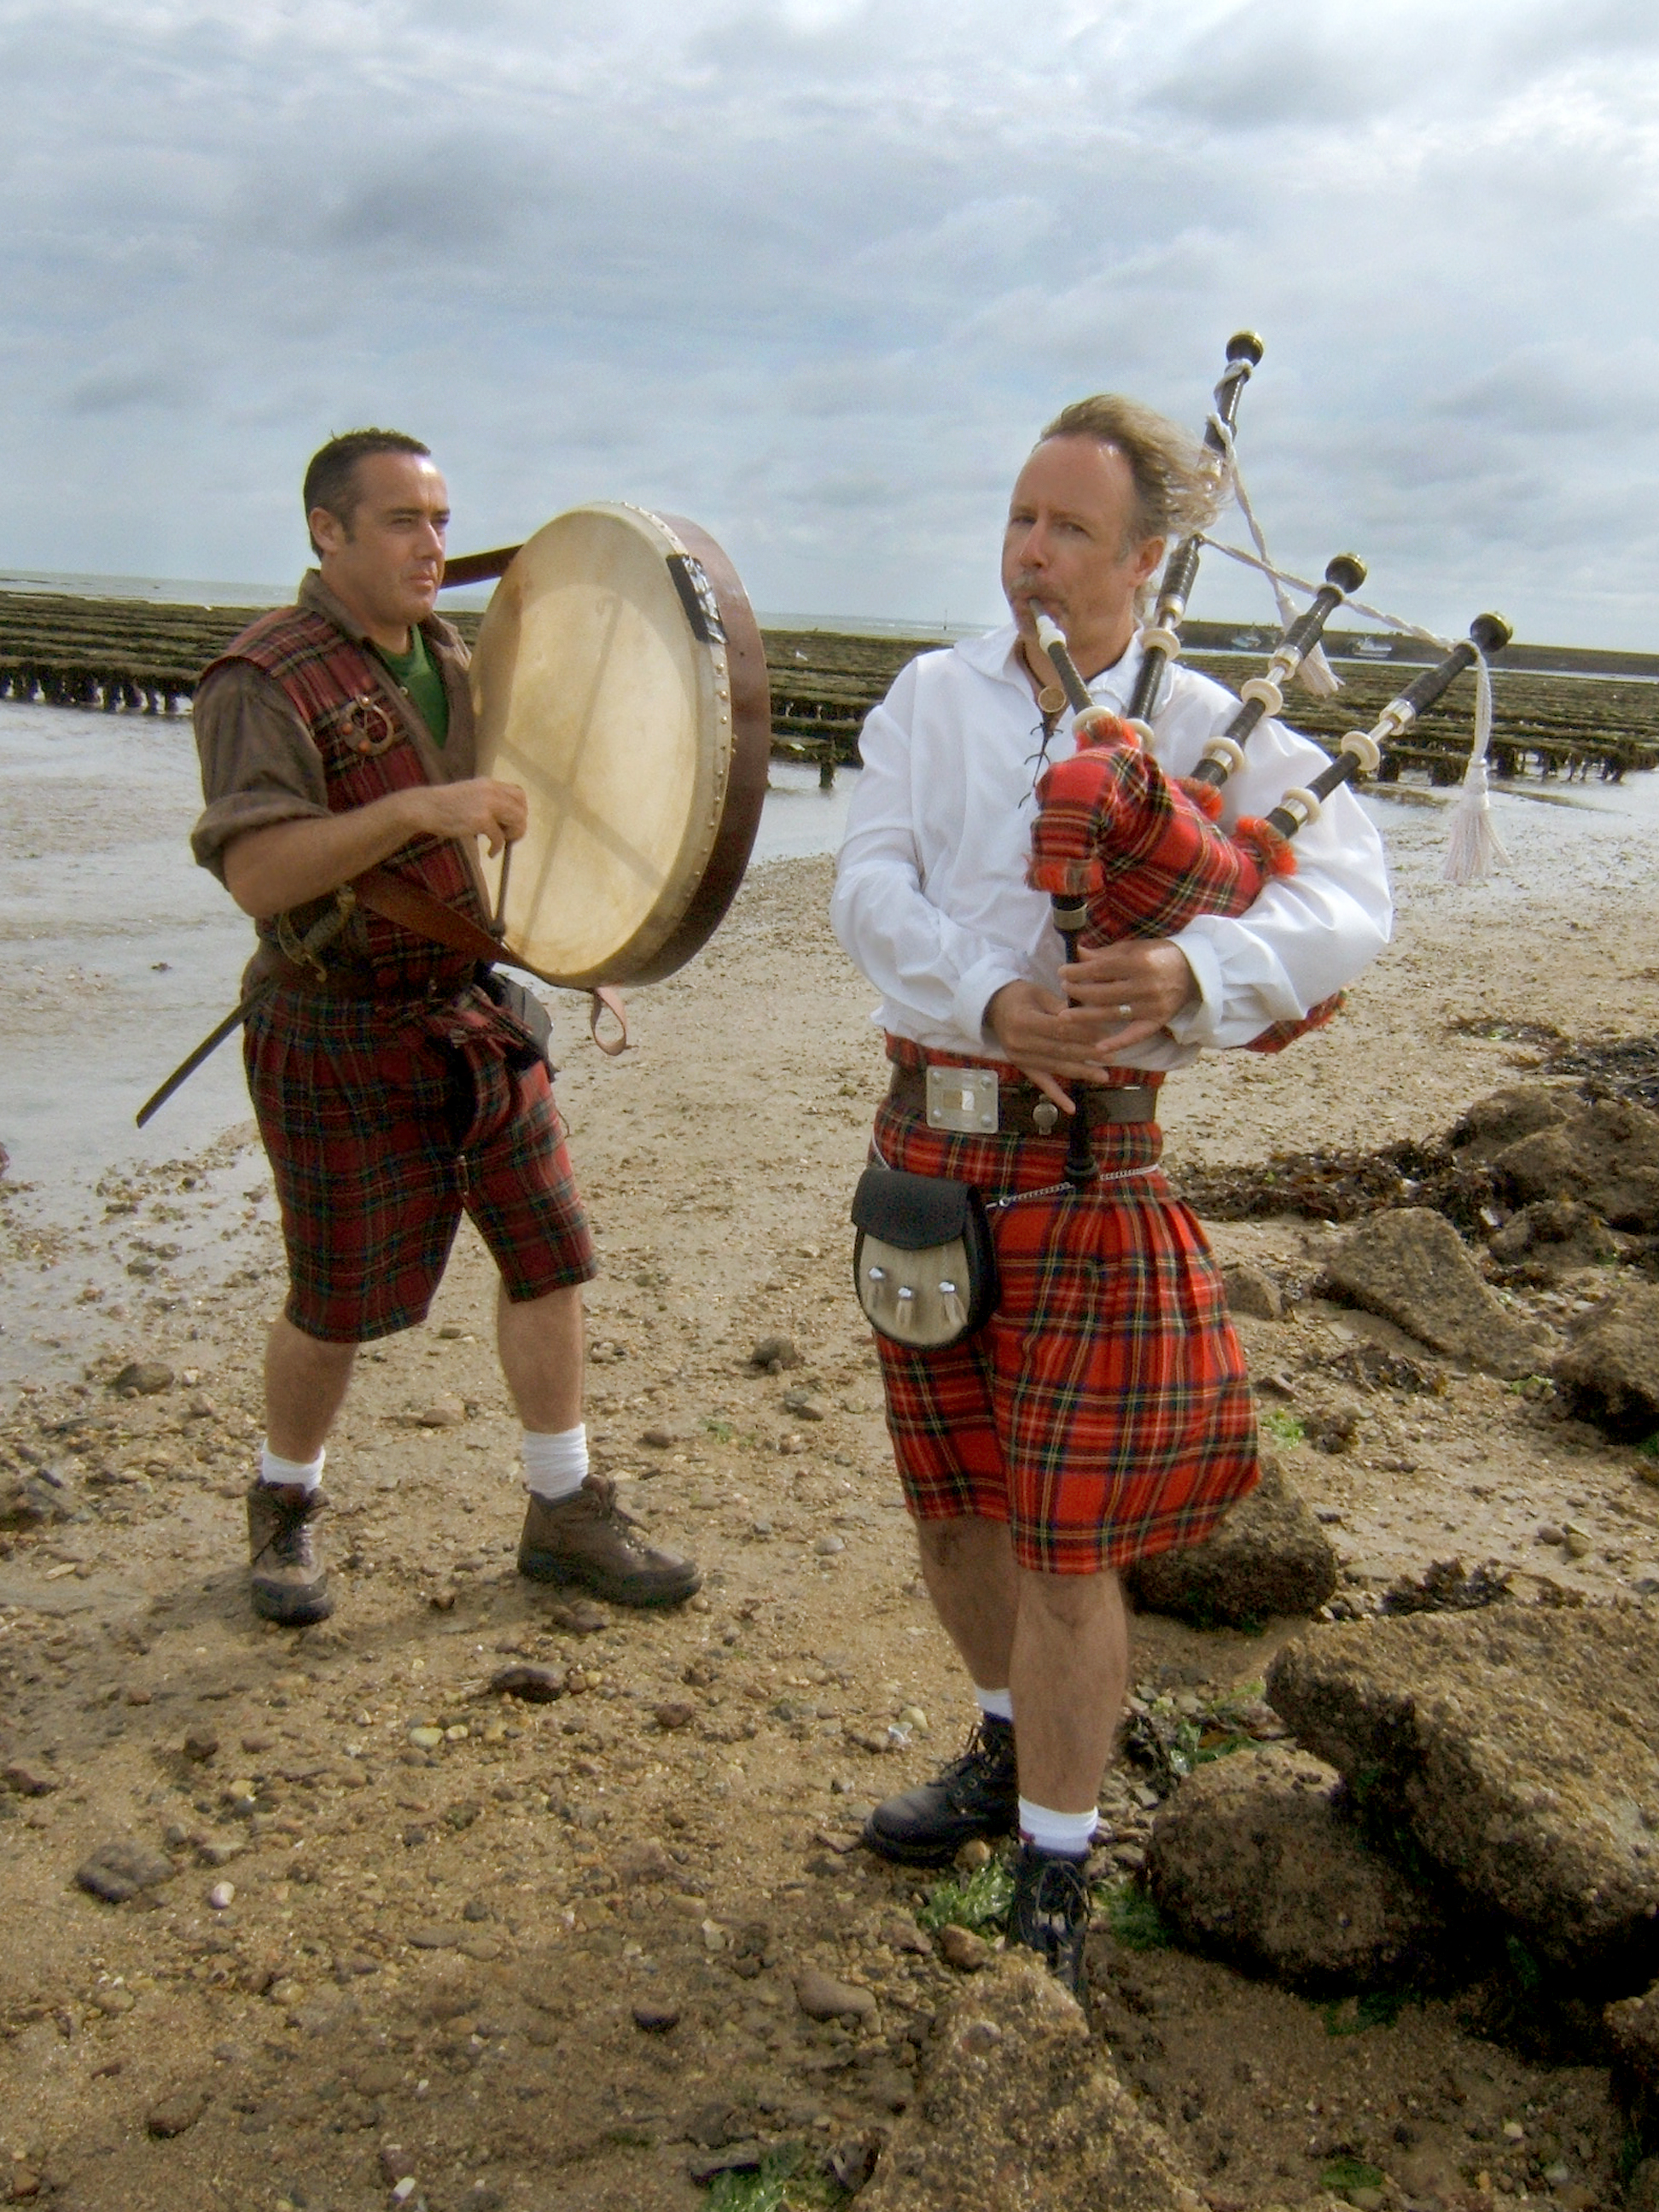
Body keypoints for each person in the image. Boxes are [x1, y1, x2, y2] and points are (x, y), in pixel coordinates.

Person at [830, 394, 1392, 1994]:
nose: (1030, 552)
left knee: (1068, 1545)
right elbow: (866, 883)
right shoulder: (930, 698)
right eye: (1019, 518)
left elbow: (1355, 902)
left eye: (1068, 529)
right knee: (954, 1513)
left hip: (1091, 1169)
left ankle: (1062, 1876)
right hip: (930, 1152)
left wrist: (1190, 965)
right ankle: (1006, 1754)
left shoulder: (1229, 718)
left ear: (1147, 560)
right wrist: (992, 996)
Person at [190, 428, 701, 1627]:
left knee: (550, 1253)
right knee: (337, 1296)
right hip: (334, 1024)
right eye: (405, 522)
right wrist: (420, 804)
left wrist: (573, 950)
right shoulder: (258, 680)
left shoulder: (453, 656)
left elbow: (499, 843)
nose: (436, 545)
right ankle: (286, 1503)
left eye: (441, 517)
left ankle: (563, 1508)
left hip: (471, 1014)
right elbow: (262, 873)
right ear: (327, 531)